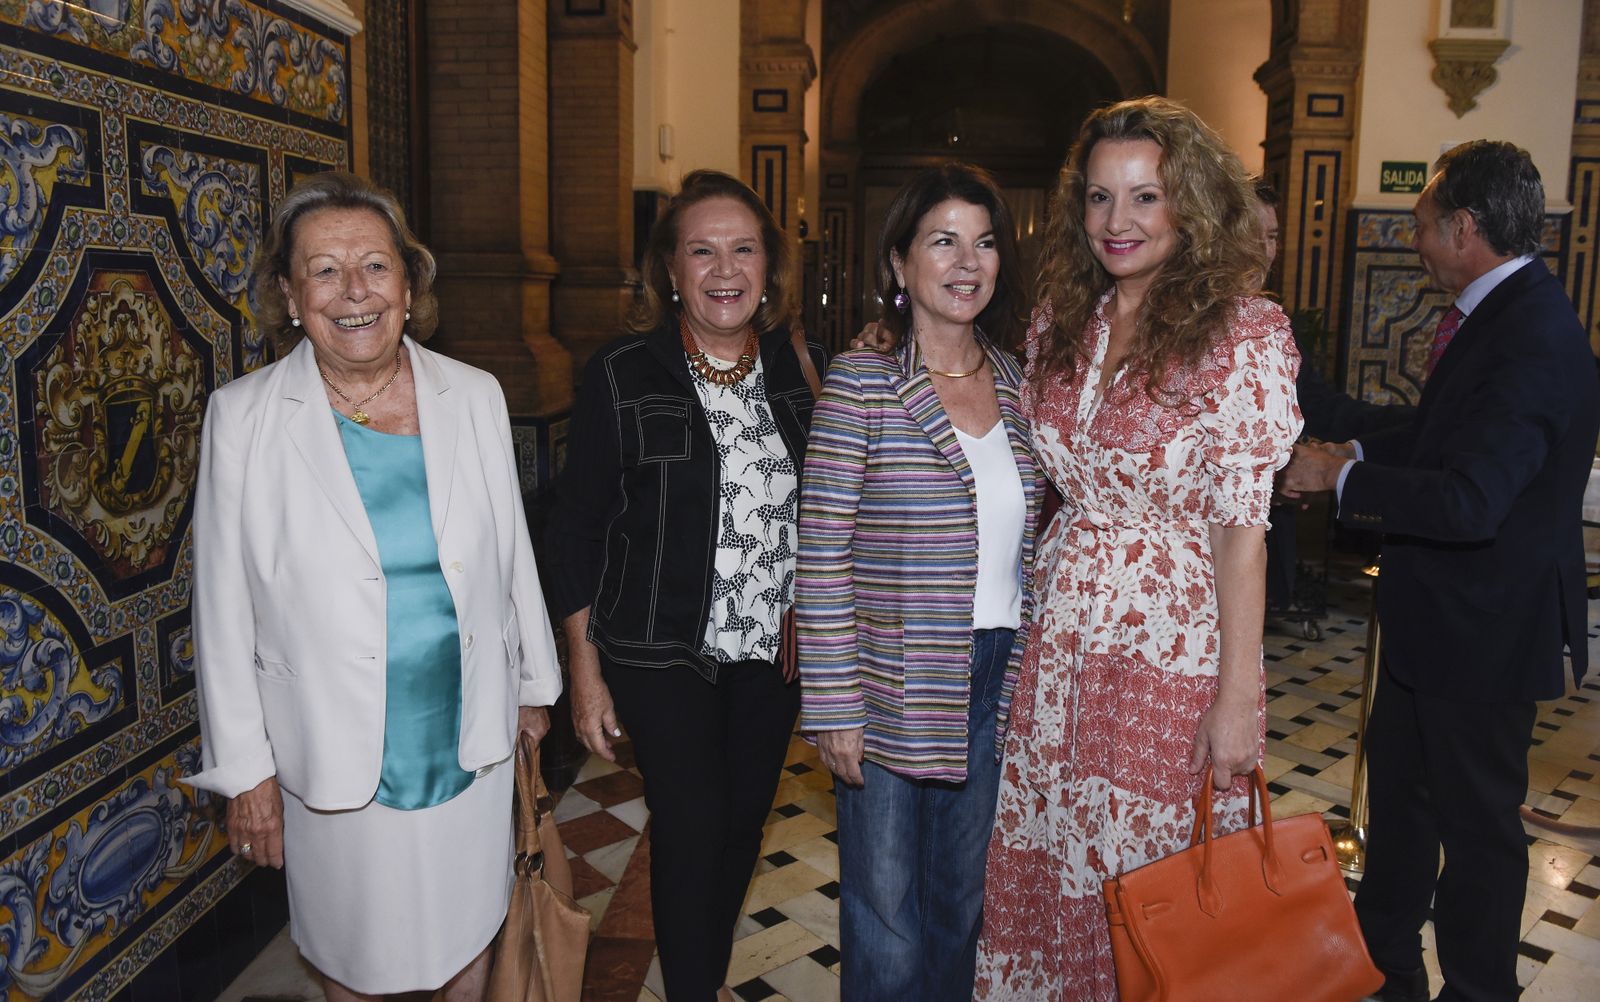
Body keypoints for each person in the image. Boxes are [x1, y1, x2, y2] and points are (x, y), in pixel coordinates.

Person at [186, 172, 562, 1002]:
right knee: (350, 956)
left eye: (376, 266)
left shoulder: (474, 396)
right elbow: (220, 609)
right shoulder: (243, 418)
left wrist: (532, 687)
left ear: (410, 283)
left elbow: (511, 559)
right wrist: (244, 771)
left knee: (469, 935)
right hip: (328, 747)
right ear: (288, 294)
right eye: (324, 270)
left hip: (466, 729)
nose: (353, 291)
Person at [974, 97, 1303, 1000]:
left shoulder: (1245, 335)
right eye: (1098, 198)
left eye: (1145, 197)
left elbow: (1243, 534)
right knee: (1055, 856)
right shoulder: (1059, 323)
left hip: (1171, 651)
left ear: (1189, 203)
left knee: (1152, 880)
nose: (1117, 222)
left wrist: (1237, 698)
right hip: (1062, 640)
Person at [1282, 141, 1599, 1002]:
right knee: (1404, 811)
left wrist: (1340, 477)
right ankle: (1387, 974)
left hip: (1487, 636)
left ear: (1465, 227)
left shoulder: (1530, 334)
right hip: (1441, 629)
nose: (1415, 242)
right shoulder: (1498, 312)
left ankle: (1478, 990)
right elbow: (1441, 433)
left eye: (1421, 227)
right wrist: (1350, 441)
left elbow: (1469, 500)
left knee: (1479, 835)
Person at [544, 170, 824, 1002]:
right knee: (693, 824)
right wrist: (585, 675)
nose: (724, 268)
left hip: (774, 653)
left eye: (743, 249)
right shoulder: (623, 371)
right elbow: (575, 528)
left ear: (769, 268)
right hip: (659, 650)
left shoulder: (802, 368)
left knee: (741, 826)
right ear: (669, 270)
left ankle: (697, 966)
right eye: (702, 250)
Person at [796, 163, 1042, 1001]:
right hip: (892, 681)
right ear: (901, 264)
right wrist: (833, 707)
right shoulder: (862, 386)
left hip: (997, 674)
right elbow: (820, 551)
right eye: (943, 241)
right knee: (886, 914)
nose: (967, 261)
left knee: (963, 905)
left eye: (983, 243)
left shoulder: (1020, 385)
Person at [1253, 180, 1412, 615]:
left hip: (1256, 545)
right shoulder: (1171, 328)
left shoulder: (1276, 328)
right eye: (1248, 235)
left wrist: (1420, 424)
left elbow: (1323, 407)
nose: (1262, 252)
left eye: (1271, 237)